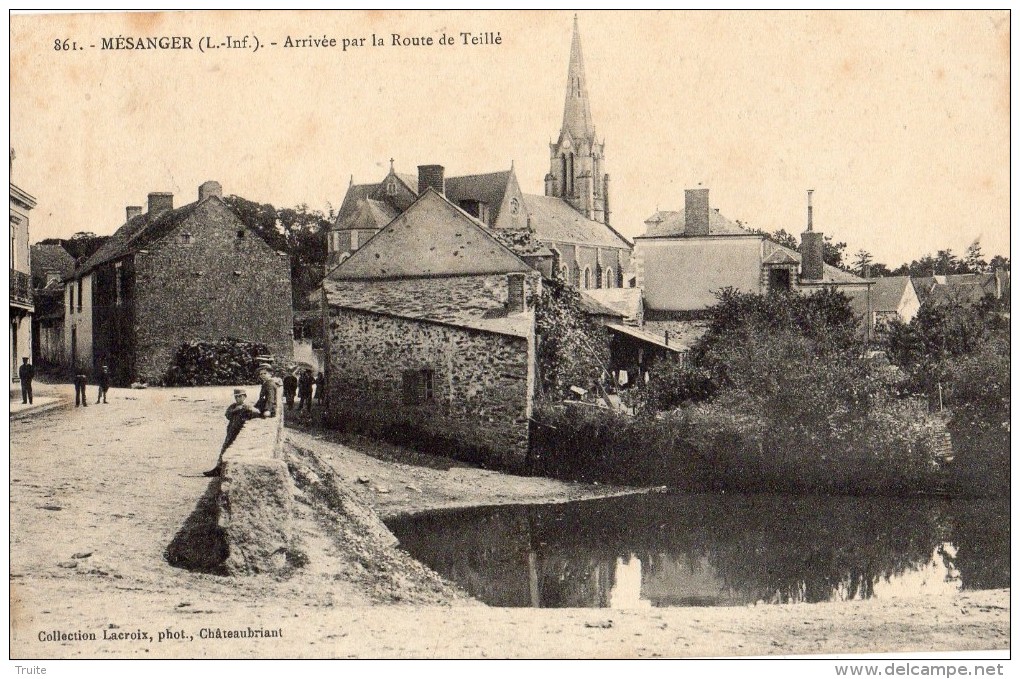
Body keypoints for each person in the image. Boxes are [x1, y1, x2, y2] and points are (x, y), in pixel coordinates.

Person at [203, 388, 261, 477]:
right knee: (225, 448)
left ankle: (224, 469)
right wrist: (236, 410)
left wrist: (249, 409)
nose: (238, 399)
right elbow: (227, 415)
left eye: (240, 396)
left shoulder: (247, 406)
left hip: (239, 432)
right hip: (231, 430)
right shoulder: (233, 406)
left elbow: (257, 413)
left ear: (245, 397)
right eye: (236, 397)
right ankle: (218, 468)